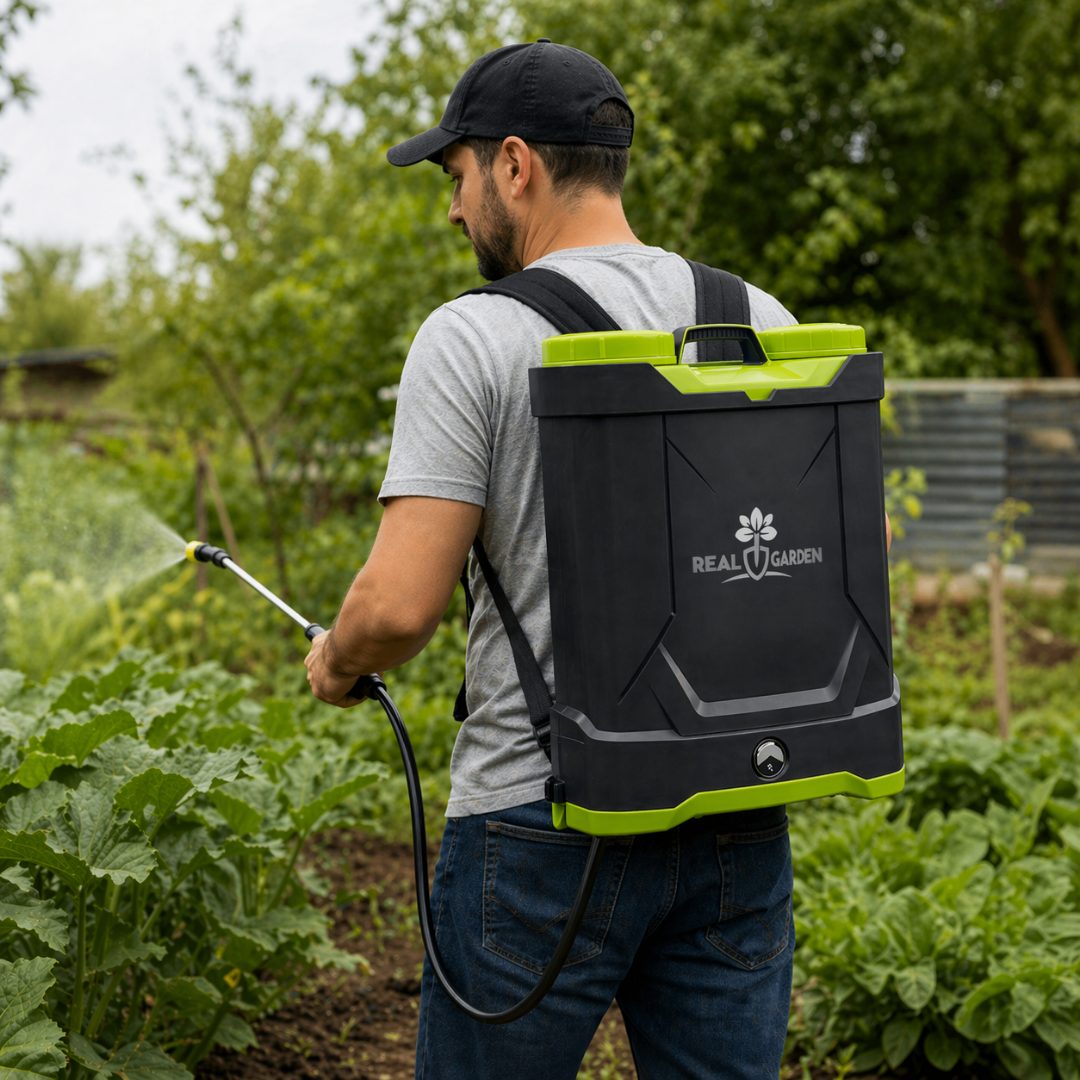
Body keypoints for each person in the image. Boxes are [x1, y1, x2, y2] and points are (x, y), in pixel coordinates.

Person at [305, 39, 852, 1080]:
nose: (453, 209)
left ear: (515, 164)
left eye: (457, 175)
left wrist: (338, 658)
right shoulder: (757, 318)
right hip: (735, 811)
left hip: (538, 822)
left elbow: (400, 607)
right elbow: (860, 550)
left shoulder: (474, 337)